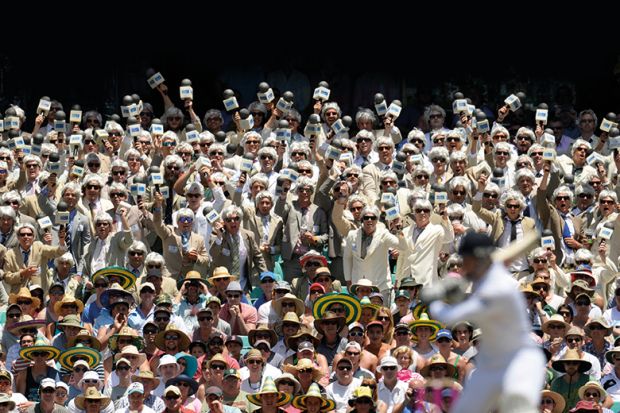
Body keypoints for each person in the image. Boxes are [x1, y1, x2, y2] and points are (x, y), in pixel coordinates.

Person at [426, 232, 546, 413]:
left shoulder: (496, 290)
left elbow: (450, 316)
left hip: (520, 362)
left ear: (479, 259)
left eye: (465, 260)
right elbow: (505, 257)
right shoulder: (490, 267)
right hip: (489, 366)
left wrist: (434, 300)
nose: (463, 266)